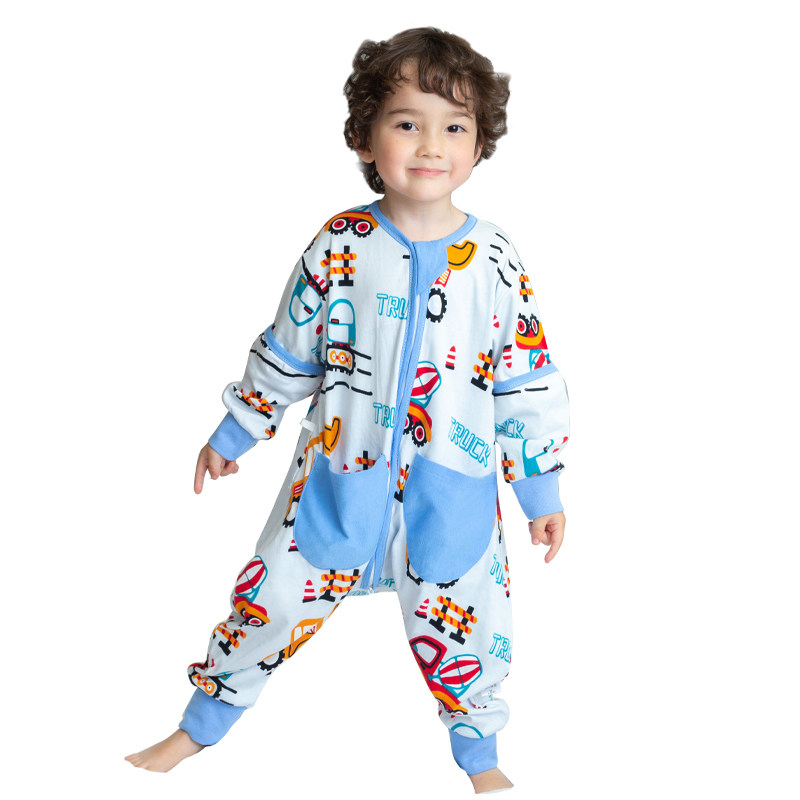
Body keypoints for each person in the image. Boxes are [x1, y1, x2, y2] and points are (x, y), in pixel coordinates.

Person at [126, 26, 569, 795]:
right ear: (366, 137)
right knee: (266, 601)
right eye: (407, 122)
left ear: (479, 144)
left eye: (454, 127)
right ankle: (197, 728)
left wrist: (540, 489)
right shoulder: (342, 244)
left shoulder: (496, 261)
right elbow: (291, 346)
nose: (430, 145)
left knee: (474, 628)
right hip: (334, 483)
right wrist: (238, 430)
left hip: (452, 492)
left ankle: (480, 757)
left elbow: (525, 378)